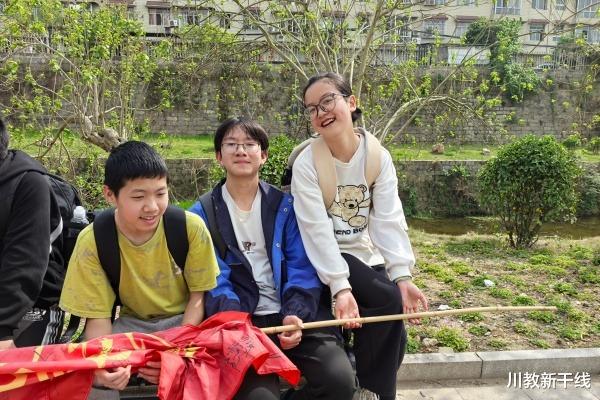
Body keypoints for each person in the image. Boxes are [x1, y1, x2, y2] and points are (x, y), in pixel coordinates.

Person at [189, 117, 355, 400]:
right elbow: (213, 278)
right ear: (219, 156)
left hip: (294, 315)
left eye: (249, 144)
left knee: (339, 382)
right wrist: (236, 322)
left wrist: (295, 312)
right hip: (241, 323)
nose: (241, 151)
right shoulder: (201, 215)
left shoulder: (286, 207)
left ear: (263, 155)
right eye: (231, 144)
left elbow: (302, 266)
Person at [291, 72, 429, 400]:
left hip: (364, 255)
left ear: (351, 102)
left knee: (393, 331)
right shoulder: (307, 163)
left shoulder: (377, 157)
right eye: (312, 108)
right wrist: (340, 287)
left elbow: (388, 219)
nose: (321, 112)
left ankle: (367, 390)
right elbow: (316, 230)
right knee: (386, 300)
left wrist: (402, 275)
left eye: (328, 101)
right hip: (325, 255)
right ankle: (375, 394)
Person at [59, 141, 219, 399]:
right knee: (93, 382)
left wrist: (176, 352)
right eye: (138, 197)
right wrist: (103, 363)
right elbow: (98, 318)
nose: (152, 207)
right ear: (110, 195)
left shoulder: (190, 228)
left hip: (186, 323)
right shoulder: (93, 240)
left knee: (204, 378)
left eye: (160, 193)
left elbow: (198, 299)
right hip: (131, 327)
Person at [0, 118, 66, 350]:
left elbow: (24, 265)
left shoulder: (28, 184)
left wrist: (2, 330)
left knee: (17, 371)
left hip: (32, 303)